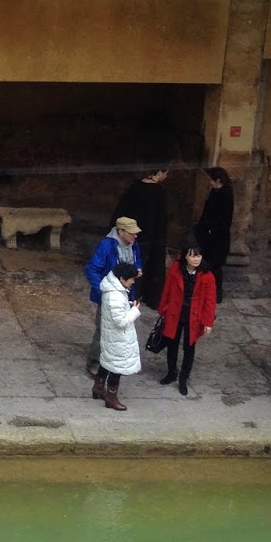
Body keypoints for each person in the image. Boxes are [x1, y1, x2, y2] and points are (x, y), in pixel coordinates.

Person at [156, 242, 217, 397]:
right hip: (176, 312)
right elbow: (167, 289)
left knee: (189, 347)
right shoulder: (176, 269)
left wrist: (208, 322)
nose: (196, 259)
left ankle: (183, 377)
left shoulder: (207, 275)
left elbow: (210, 301)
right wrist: (163, 308)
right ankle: (171, 372)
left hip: (194, 316)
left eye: (199, 255)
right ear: (185, 256)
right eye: (193, 255)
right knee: (172, 343)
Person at [84, 216, 142, 373]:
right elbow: (92, 269)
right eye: (132, 232)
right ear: (121, 232)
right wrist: (104, 291)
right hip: (109, 295)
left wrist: (137, 269)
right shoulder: (106, 246)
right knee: (103, 330)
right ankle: (95, 361)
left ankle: (116, 360)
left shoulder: (134, 245)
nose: (135, 235)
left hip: (127, 294)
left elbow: (137, 261)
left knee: (122, 329)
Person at [112, 168, 169, 310]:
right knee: (143, 265)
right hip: (149, 236)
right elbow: (161, 219)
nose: (166, 176)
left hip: (130, 233)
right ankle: (140, 295)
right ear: (160, 172)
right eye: (165, 173)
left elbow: (122, 209)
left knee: (129, 261)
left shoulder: (135, 186)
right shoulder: (158, 192)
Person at [92, 261, 141, 411]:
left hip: (111, 336)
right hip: (118, 338)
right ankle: (111, 397)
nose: (133, 282)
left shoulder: (113, 290)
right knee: (116, 367)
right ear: (122, 279)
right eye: (131, 279)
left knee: (107, 361)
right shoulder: (116, 296)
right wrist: (134, 311)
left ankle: (98, 387)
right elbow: (121, 321)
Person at [193, 165, 234, 304]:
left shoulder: (226, 194)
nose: (209, 182)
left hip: (217, 238)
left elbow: (223, 219)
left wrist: (209, 227)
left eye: (211, 180)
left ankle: (217, 293)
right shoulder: (215, 192)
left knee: (215, 267)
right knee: (207, 265)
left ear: (218, 180)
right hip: (209, 235)